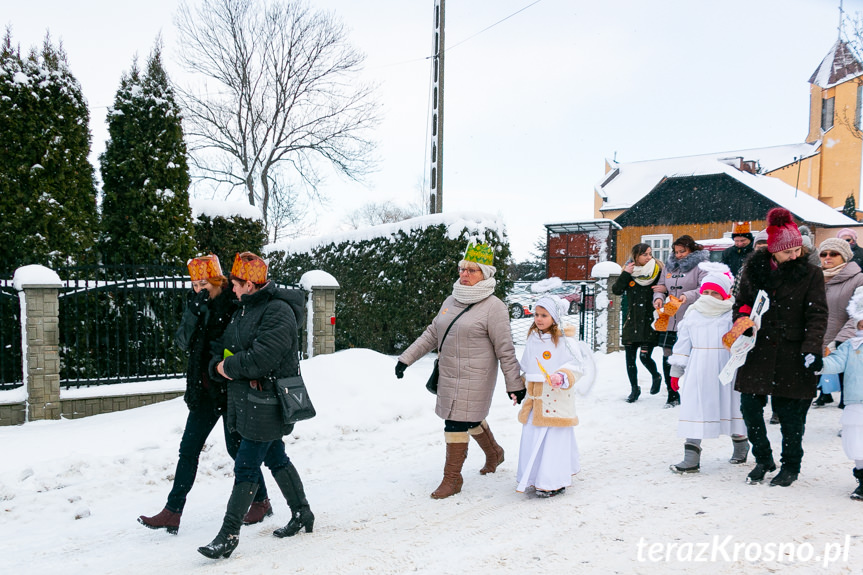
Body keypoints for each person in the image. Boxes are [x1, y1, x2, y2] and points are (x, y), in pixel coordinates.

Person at [138, 255, 271, 535]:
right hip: (204, 392)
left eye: (203, 283)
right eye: (194, 283)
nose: (198, 288)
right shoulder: (196, 304)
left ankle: (261, 501)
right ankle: (172, 512)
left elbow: (235, 341)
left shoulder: (233, 303)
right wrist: (193, 312)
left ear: (217, 281)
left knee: (237, 450)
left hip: (230, 390)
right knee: (188, 449)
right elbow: (181, 342)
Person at [198, 252, 312, 559]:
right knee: (276, 457)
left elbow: (261, 358)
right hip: (249, 400)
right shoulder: (245, 309)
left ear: (249, 283)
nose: (232, 290)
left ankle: (228, 535)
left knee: (246, 465)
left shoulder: (278, 312)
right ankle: (302, 513)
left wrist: (225, 367)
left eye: (235, 284)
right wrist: (216, 364)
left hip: (269, 400)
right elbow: (228, 346)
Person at [395, 242, 523, 499]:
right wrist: (406, 359)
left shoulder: (494, 306)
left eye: (472, 270)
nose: (464, 274)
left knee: (454, 422)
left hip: (477, 377)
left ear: (485, 274)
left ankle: (452, 479)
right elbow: (432, 333)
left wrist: (515, 384)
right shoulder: (451, 300)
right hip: (449, 374)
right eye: (462, 269)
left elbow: (505, 348)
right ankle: (494, 453)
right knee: (470, 419)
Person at [733, 208, 828, 487]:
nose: (794, 256)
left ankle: (791, 465)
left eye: (798, 250)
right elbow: (741, 303)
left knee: (790, 414)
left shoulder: (810, 274)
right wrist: (743, 321)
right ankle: (763, 459)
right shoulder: (754, 270)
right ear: (774, 250)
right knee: (749, 407)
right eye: (788, 252)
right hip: (758, 349)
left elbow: (817, 313)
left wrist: (812, 348)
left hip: (793, 350)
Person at [667, 263, 749, 473]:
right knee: (695, 408)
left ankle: (741, 444)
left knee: (730, 406)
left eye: (716, 293)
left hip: (726, 368)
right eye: (707, 292)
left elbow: (745, 341)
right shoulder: (692, 315)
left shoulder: (732, 315)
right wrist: (677, 370)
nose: (710, 296)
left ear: (725, 295)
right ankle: (691, 457)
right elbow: (683, 344)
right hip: (699, 369)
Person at [514, 296, 595, 496]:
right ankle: (534, 477)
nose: (539, 319)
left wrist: (562, 376)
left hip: (555, 398)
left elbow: (576, 366)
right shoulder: (533, 338)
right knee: (533, 435)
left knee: (554, 440)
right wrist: (520, 388)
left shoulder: (565, 341)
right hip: (535, 399)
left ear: (555, 317)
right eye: (536, 314)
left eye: (544, 315)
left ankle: (553, 480)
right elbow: (526, 365)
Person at [652, 235, 710, 407]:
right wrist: (658, 298)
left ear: (691, 249)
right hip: (670, 318)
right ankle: (672, 394)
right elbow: (661, 286)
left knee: (692, 357)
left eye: (682, 251)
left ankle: (694, 394)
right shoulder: (668, 266)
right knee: (667, 355)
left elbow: (706, 288)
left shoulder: (701, 266)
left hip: (691, 318)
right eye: (676, 252)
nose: (679, 255)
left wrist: (688, 295)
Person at [817, 287, 863, 500]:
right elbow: (835, 362)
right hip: (856, 401)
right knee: (858, 440)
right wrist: (819, 364)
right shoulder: (850, 346)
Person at [813, 237, 863, 408]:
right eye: (823, 254)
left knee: (851, 388)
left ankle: (852, 426)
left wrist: (840, 341)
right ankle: (824, 395)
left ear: (844, 256)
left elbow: (858, 314)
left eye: (834, 254)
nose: (828, 257)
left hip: (848, 341)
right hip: (818, 338)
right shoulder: (814, 278)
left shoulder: (858, 279)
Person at [612, 243, 663, 402]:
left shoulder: (657, 271)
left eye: (650, 254)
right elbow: (617, 290)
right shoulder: (630, 273)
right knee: (630, 359)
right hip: (632, 321)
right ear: (636, 257)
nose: (649, 257)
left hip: (648, 321)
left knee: (645, 357)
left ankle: (656, 376)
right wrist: (626, 273)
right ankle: (634, 389)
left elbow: (664, 289)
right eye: (645, 254)